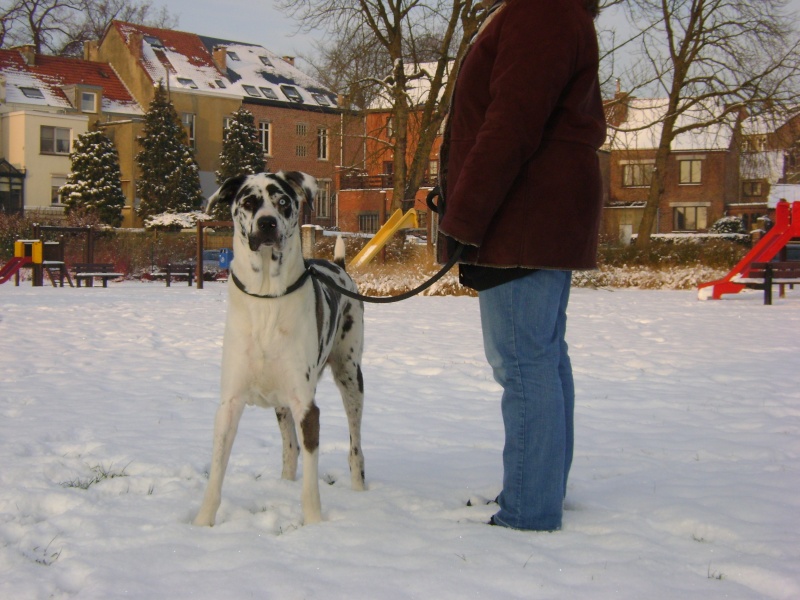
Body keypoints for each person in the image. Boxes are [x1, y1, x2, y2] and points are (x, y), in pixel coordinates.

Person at [437, 0, 606, 531]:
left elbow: (512, 122)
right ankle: (538, 489)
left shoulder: (542, 10)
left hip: (522, 219)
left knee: (524, 362)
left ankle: (530, 509)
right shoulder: (548, 10)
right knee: (543, 357)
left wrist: (465, 215)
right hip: (534, 216)